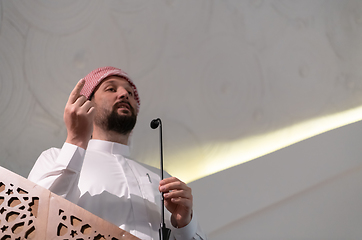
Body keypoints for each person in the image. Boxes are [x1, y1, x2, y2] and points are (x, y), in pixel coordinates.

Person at [28, 66, 206, 240]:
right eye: (111, 89)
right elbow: (35, 218)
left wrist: (183, 224)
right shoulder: (55, 157)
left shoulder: (162, 177)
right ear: (86, 104)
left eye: (130, 93)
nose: (124, 95)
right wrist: (75, 140)